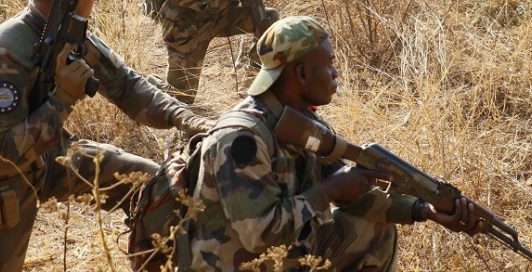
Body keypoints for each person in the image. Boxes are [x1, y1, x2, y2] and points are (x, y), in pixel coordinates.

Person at [0, 0, 213, 271]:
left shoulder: (70, 35)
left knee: (150, 185)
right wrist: (63, 98)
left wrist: (189, 119)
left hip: (47, 160)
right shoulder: (2, 55)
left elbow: (127, 87)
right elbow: (6, 151)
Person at [189, 16, 488, 271]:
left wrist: (426, 210)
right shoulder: (243, 138)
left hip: (273, 255)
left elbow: (353, 195)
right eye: (329, 63)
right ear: (302, 73)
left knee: (374, 230)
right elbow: (258, 233)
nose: (335, 73)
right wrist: (329, 190)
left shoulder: (301, 123)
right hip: (229, 262)